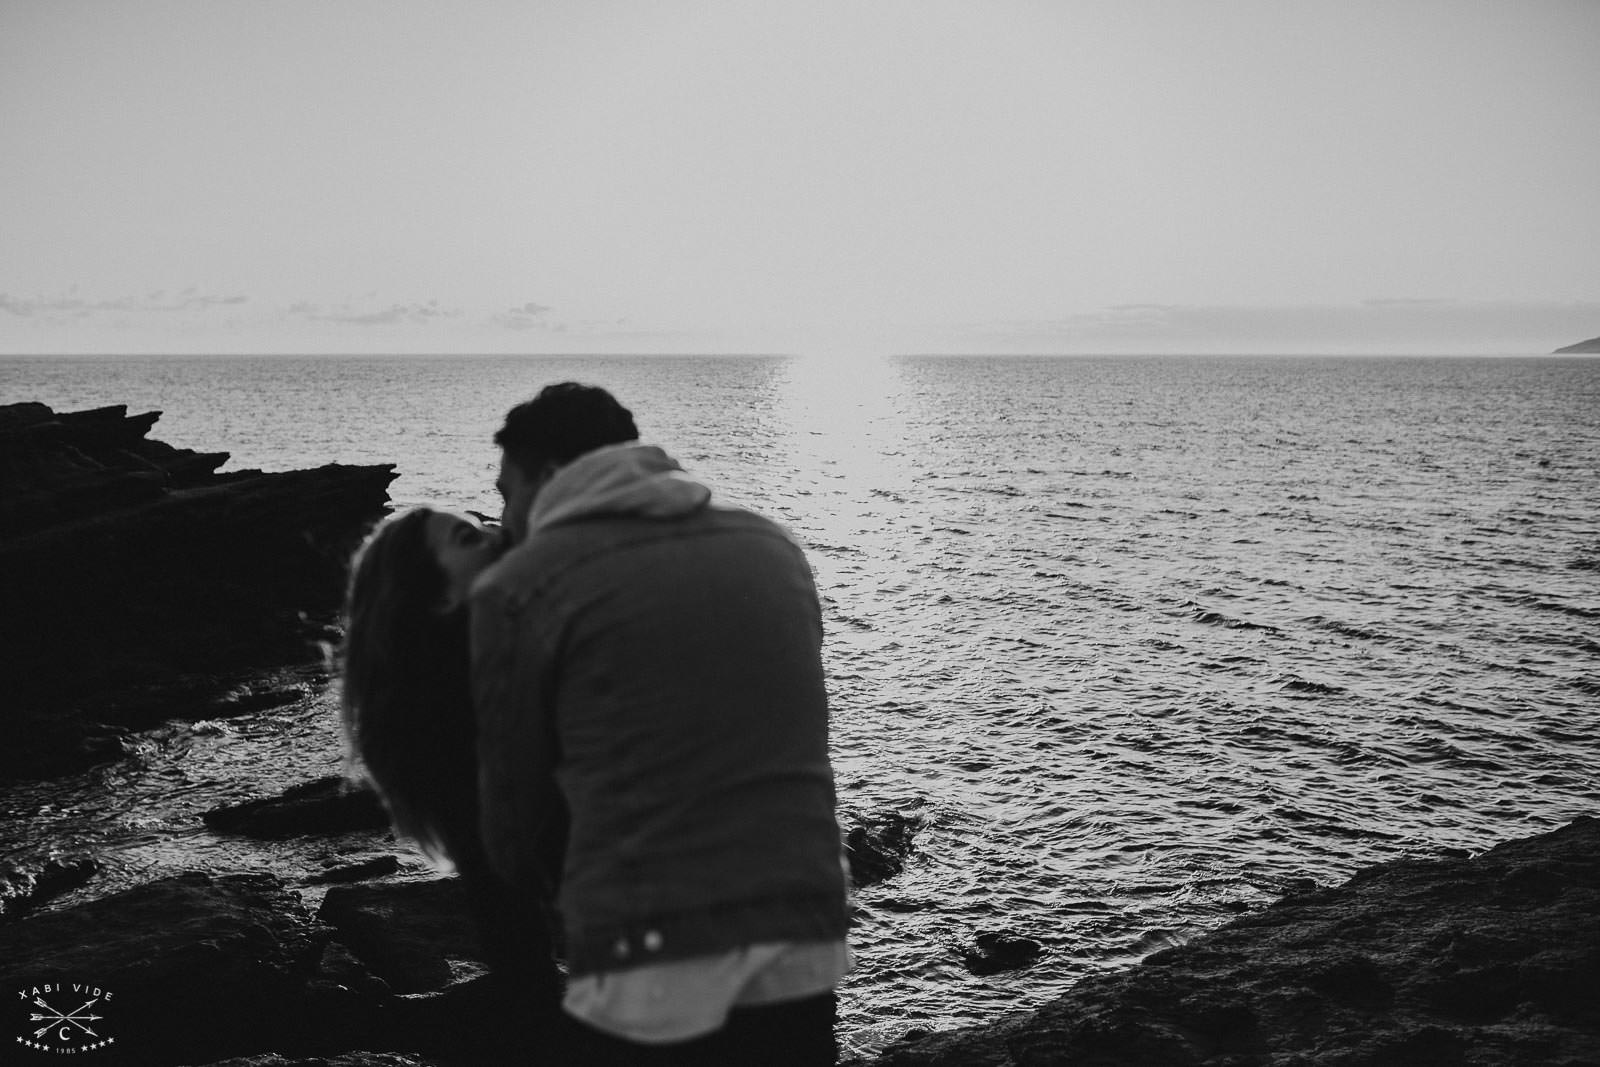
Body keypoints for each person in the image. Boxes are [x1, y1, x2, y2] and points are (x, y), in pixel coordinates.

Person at [471, 382, 851, 1064]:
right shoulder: (772, 547)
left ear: (550, 476)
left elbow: (511, 821)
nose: (502, 523)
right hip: (805, 928)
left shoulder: (522, 584)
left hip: (641, 948)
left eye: (506, 494)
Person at [339, 505, 560, 996]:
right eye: (468, 538)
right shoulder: (460, 728)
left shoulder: (500, 674)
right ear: (438, 596)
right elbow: (509, 917)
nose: (496, 534)